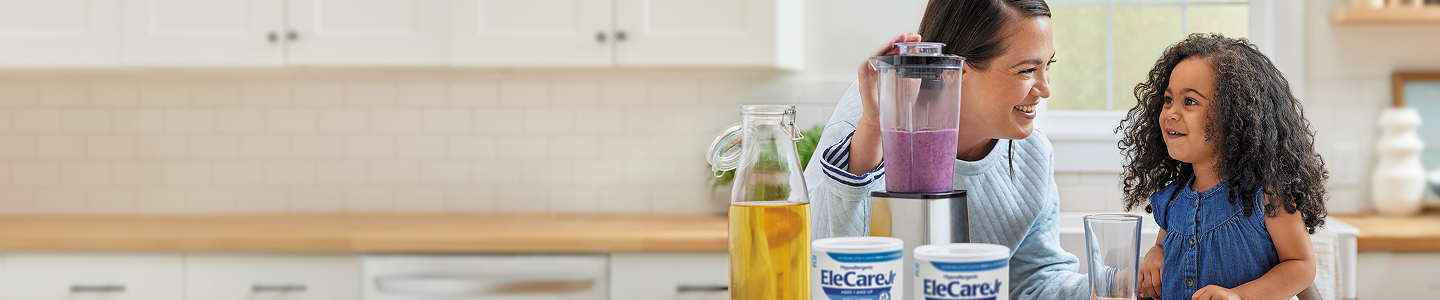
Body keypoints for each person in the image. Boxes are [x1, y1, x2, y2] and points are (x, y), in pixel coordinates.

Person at [802, 0, 1090, 298]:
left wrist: (1120, 282)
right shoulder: (873, 112)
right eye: (1027, 70)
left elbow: (1034, 282)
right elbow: (822, 263)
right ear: (955, 71)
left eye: (1048, 65)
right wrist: (874, 127)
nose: (1045, 89)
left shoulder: (1032, 156)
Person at [1119, 33, 1327, 300]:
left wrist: (1239, 296)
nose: (1171, 112)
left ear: (1234, 116)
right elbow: (1161, 245)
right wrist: (1154, 255)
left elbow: (1301, 266)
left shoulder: (1267, 195)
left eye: (1190, 101)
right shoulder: (1172, 200)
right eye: (1168, 99)